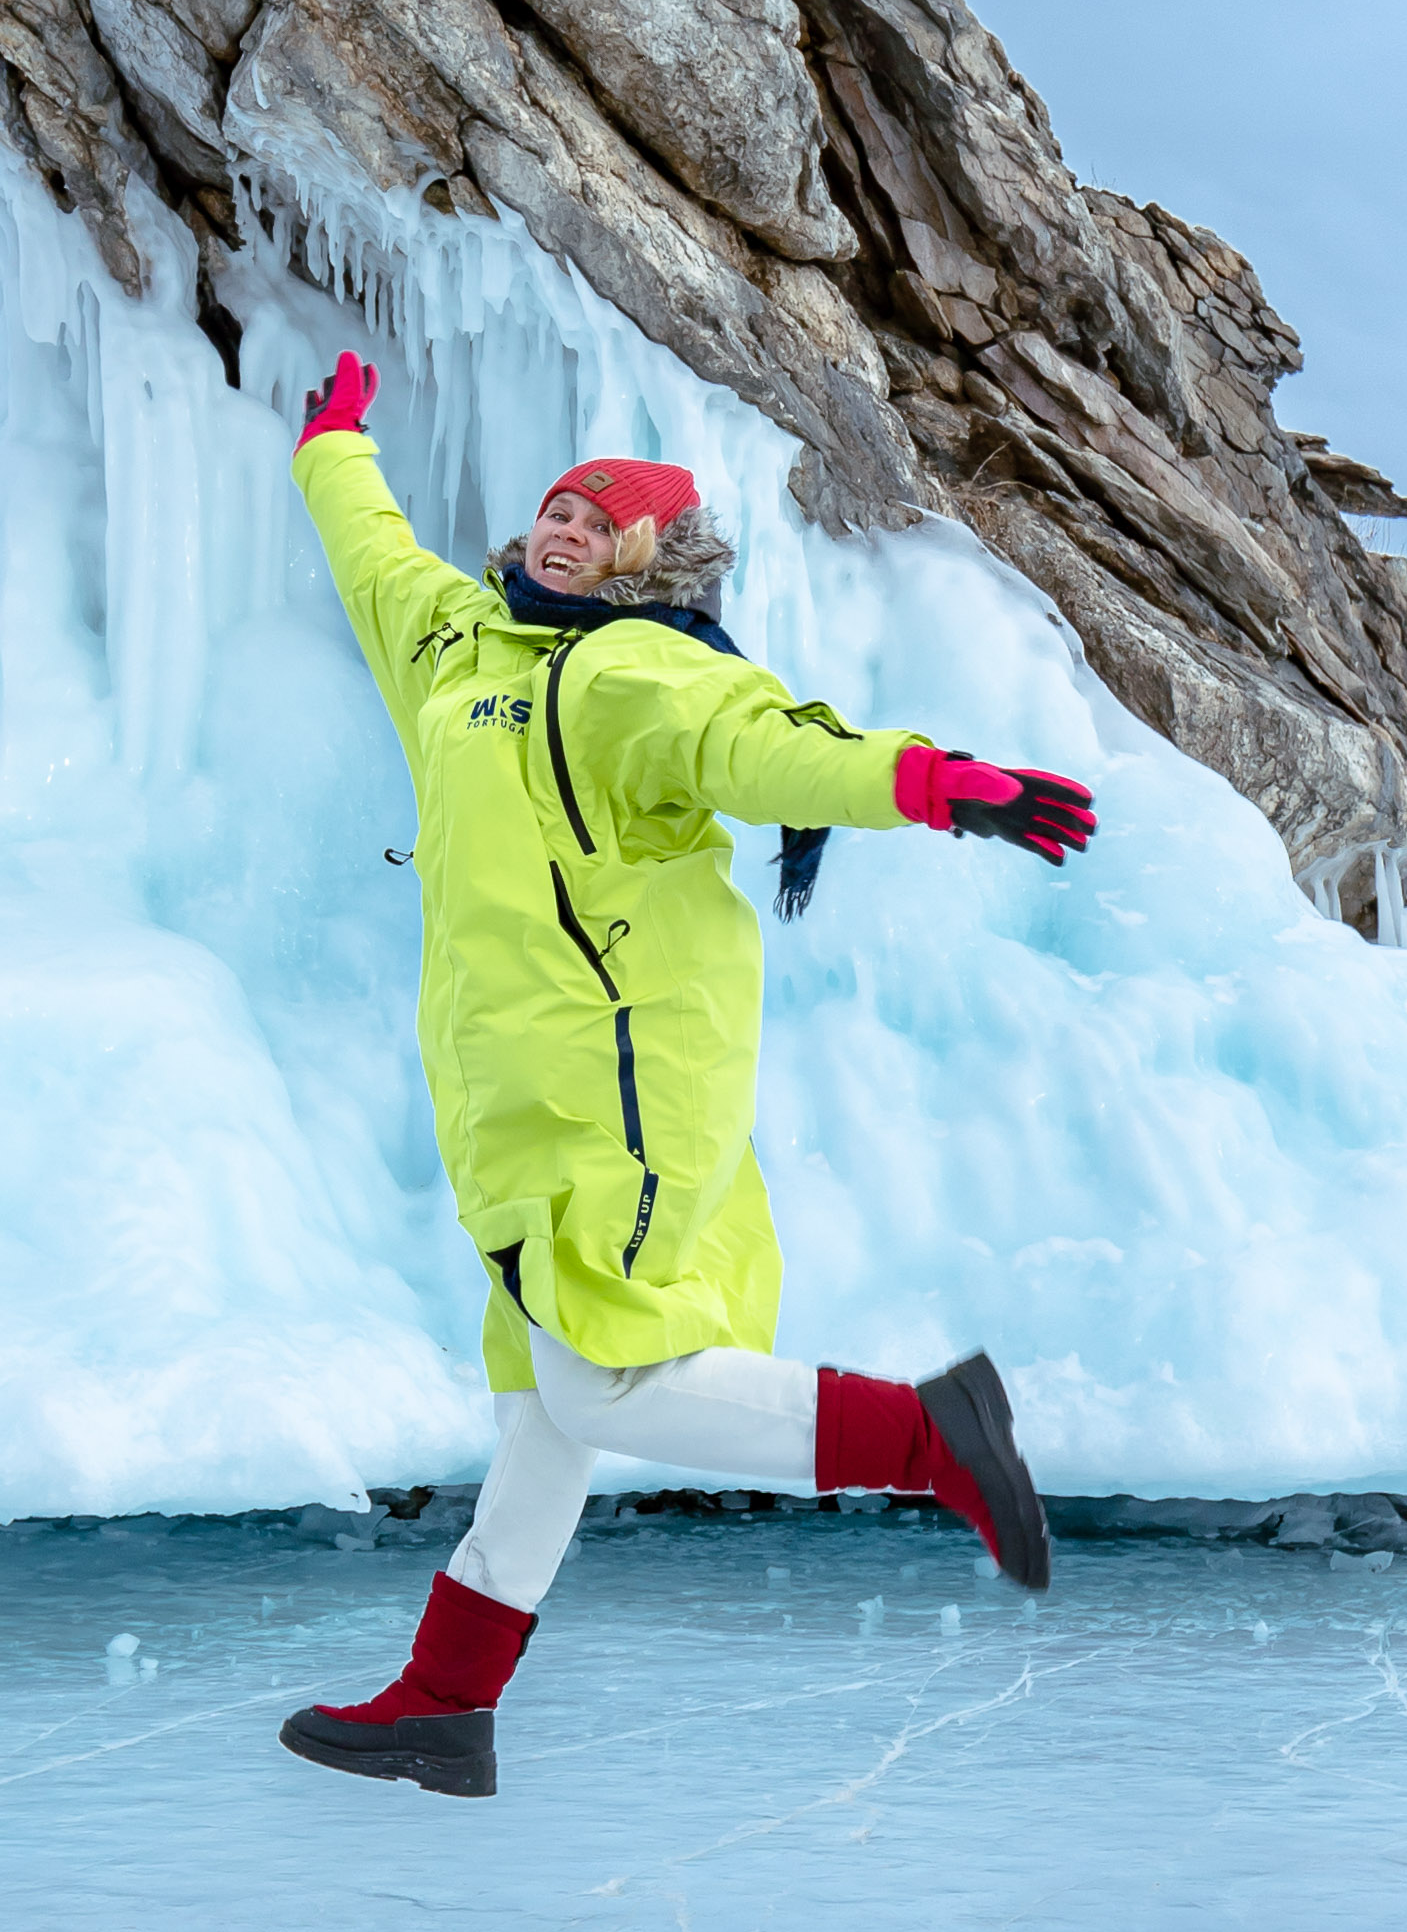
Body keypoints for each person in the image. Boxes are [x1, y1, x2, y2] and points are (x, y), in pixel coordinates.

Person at [278, 349, 1100, 1795]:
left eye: (602, 521)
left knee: (598, 1383)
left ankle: (931, 1436)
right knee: (544, 1409)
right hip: (516, 1097)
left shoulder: (630, 668)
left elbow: (759, 744)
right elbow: (374, 562)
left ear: (651, 556)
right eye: (556, 509)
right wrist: (334, 445)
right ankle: (443, 1704)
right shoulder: (463, 653)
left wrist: (926, 781)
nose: (566, 529)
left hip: (624, 1082)